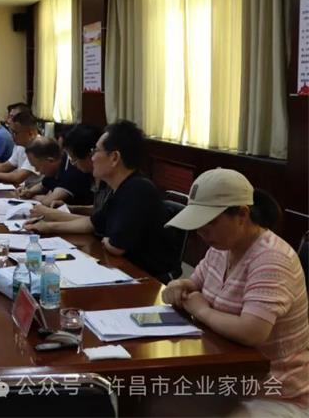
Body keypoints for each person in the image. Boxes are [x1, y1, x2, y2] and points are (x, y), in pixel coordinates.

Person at [162, 169, 308, 415]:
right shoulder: (221, 247)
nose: (201, 232)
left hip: (274, 391)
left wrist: (201, 310)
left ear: (242, 214)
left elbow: (252, 331)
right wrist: (178, 287)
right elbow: (194, 283)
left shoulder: (271, 259)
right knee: (151, 403)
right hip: (227, 377)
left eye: (210, 223)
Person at [87, 120, 178, 282]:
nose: (92, 158)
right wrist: (48, 224)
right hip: (126, 270)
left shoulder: (138, 189)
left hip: (148, 279)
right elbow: (92, 223)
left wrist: (107, 241)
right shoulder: (122, 187)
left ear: (114, 158)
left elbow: (117, 247)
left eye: (96, 151)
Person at [23, 124, 109, 235]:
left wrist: (52, 218)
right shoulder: (97, 176)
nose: (72, 163)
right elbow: (100, 212)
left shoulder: (79, 173)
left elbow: (99, 223)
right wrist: (72, 208)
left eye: (73, 158)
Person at [21, 136, 94, 207]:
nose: (36, 170)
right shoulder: (54, 167)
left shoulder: (73, 171)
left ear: (50, 161)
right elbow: (43, 185)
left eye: (37, 167)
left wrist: (36, 197)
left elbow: (47, 202)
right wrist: (29, 192)